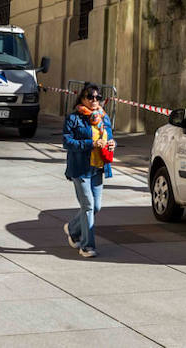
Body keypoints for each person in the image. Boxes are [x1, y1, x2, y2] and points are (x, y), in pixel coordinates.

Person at [63, 83, 114, 258]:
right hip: (80, 168)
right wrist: (90, 144)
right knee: (88, 206)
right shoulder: (73, 118)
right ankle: (86, 246)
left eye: (97, 97)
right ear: (82, 99)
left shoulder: (103, 117)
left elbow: (109, 136)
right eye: (90, 97)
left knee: (96, 207)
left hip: (98, 167)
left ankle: (72, 228)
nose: (94, 100)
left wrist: (111, 143)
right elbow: (67, 142)